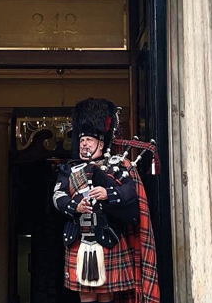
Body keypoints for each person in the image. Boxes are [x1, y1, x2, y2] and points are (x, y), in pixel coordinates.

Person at [52, 98, 159, 303]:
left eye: (89, 141)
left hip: (108, 235)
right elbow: (58, 196)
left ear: (101, 143)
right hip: (79, 237)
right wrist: (76, 206)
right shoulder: (68, 170)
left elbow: (130, 193)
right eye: (81, 141)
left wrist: (107, 193)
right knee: (85, 294)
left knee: (106, 294)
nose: (84, 144)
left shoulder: (115, 166)